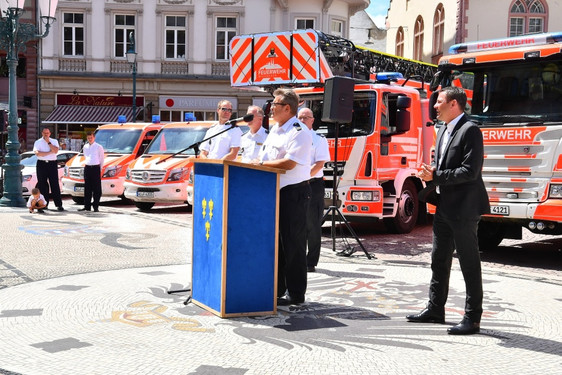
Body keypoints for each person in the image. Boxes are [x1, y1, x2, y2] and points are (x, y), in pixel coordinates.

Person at [407, 86, 490, 335]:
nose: (434, 105)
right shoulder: (442, 129)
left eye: (439, 101)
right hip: (444, 206)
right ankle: (435, 309)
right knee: (438, 260)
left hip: (464, 208)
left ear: (454, 104)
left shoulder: (470, 130)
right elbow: (443, 165)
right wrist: (430, 172)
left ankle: (472, 318)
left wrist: (437, 175)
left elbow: (470, 171)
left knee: (468, 263)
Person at [257, 88, 312, 306]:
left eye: (274, 105)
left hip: (294, 192)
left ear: (287, 108)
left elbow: (289, 163)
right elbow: (266, 156)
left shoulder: (298, 131)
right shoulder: (275, 130)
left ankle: (296, 293)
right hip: (273, 191)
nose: (270, 108)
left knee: (294, 243)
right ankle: (278, 289)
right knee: (277, 244)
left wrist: (259, 165)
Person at [298, 107, 330, 273]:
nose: (302, 120)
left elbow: (319, 163)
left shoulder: (318, 139)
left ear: (312, 120)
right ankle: (298, 257)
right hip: (295, 184)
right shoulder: (294, 136)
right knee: (297, 224)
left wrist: (304, 176)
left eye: (306, 118)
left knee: (312, 224)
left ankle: (311, 262)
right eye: (300, 118)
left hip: (312, 183)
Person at [33, 127, 64, 211]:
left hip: (52, 164)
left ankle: (59, 205)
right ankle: (44, 204)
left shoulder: (54, 141)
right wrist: (49, 152)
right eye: (44, 133)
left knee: (54, 184)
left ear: (50, 133)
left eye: (47, 133)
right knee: (42, 185)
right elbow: (38, 154)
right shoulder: (38, 142)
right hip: (41, 164)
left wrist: (48, 143)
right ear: (42, 133)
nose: (46, 135)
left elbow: (55, 151)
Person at [78, 132, 104, 212]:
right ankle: (87, 206)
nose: (90, 139)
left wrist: (100, 169)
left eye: (91, 137)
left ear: (94, 137)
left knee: (96, 189)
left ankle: (96, 206)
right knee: (87, 188)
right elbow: (86, 156)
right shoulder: (85, 147)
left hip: (95, 168)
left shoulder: (98, 147)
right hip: (88, 167)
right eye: (88, 138)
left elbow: (101, 159)